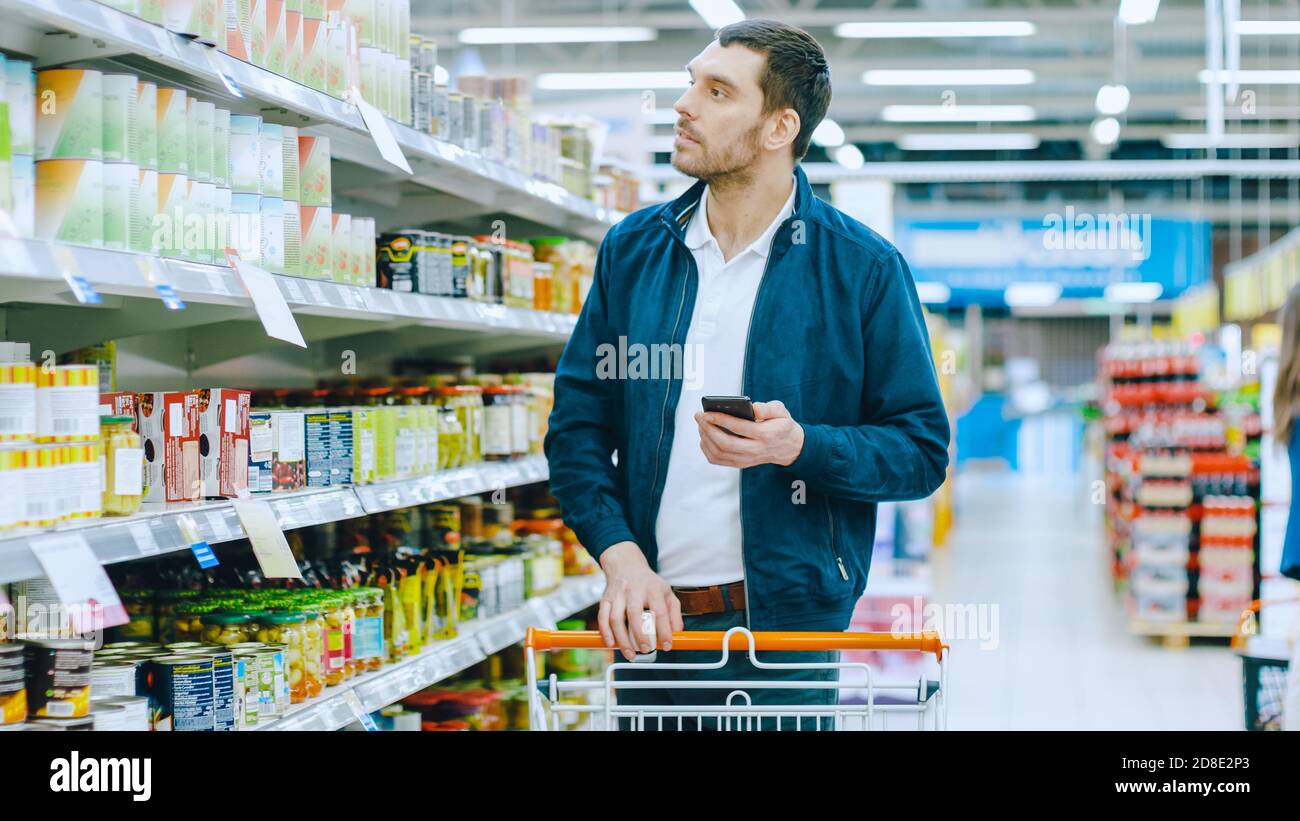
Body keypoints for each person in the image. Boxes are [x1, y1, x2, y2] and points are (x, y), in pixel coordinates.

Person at [543, 19, 950, 730]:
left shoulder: (862, 269)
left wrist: (801, 446)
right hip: (649, 625)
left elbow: (920, 452)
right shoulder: (633, 252)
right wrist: (620, 556)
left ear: (778, 127)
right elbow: (576, 431)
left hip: (784, 635)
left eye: (717, 90)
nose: (684, 105)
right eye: (689, 83)